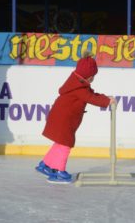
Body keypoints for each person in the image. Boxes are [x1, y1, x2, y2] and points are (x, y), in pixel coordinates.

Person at [35, 52, 116, 184]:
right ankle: (59, 172)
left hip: (60, 117)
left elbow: (91, 94)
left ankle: (45, 165)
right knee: (66, 144)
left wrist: (107, 98)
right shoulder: (79, 88)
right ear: (89, 77)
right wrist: (107, 101)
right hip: (64, 120)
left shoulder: (76, 82)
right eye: (93, 76)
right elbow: (91, 98)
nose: (93, 78)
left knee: (60, 143)